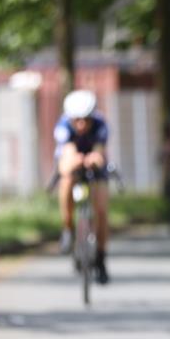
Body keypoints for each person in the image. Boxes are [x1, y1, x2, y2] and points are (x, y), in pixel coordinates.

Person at [55, 89, 110, 284]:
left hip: (94, 165)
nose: (80, 124)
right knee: (66, 180)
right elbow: (66, 156)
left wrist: (95, 158)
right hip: (73, 162)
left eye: (85, 120)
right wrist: (74, 160)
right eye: (76, 120)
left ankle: (101, 259)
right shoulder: (63, 126)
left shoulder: (101, 124)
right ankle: (68, 227)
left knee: (102, 210)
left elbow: (99, 152)